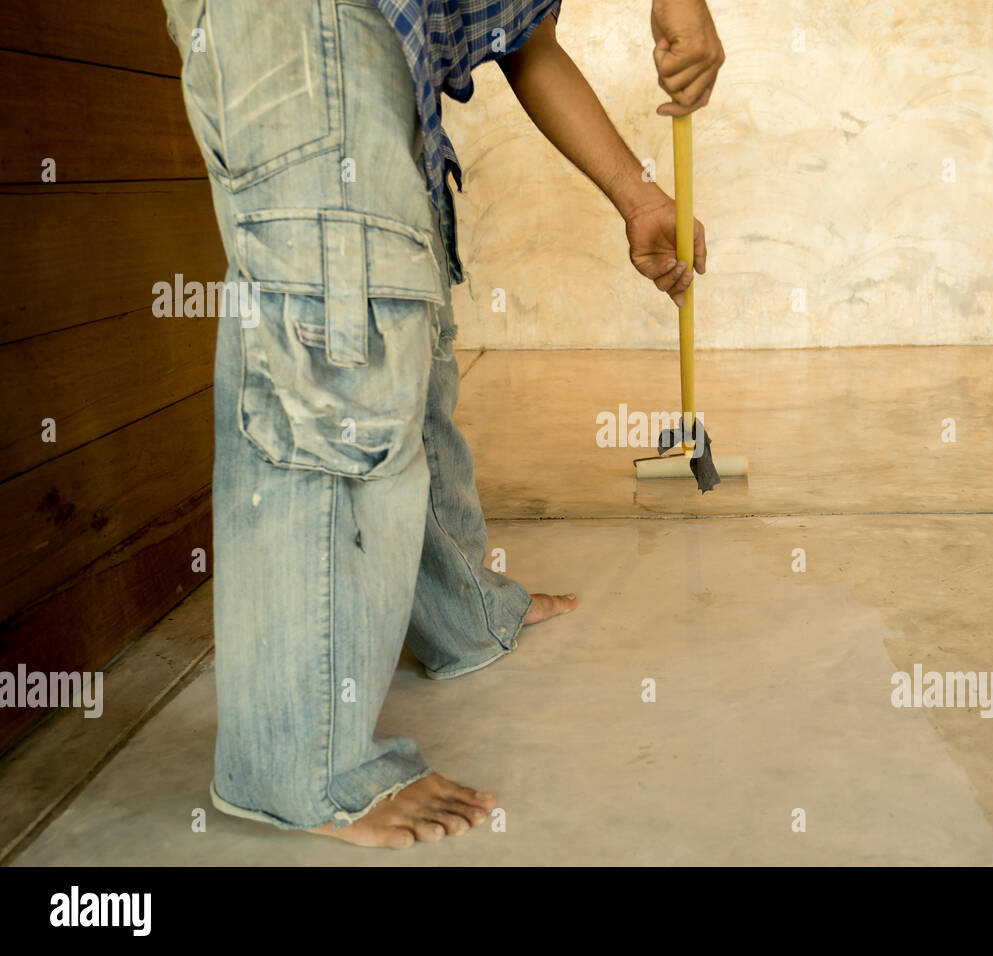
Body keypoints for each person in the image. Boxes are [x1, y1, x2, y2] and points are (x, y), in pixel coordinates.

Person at [160, 0, 723, 848]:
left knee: (401, 304)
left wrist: (636, 196)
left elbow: (529, 45)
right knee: (342, 301)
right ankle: (301, 768)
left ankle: (458, 608)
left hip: (379, 28)